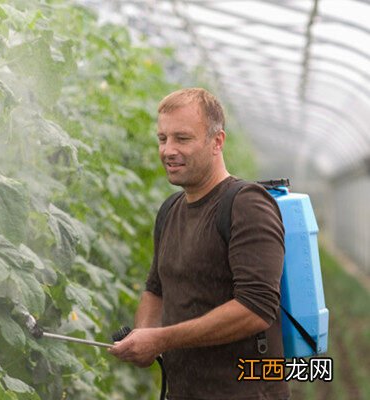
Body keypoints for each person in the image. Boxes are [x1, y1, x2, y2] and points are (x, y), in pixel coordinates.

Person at [108, 88, 290, 399]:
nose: (168, 150)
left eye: (182, 138)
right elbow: (156, 289)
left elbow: (255, 308)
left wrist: (161, 339)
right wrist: (144, 337)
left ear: (217, 141)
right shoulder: (170, 211)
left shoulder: (246, 205)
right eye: (162, 139)